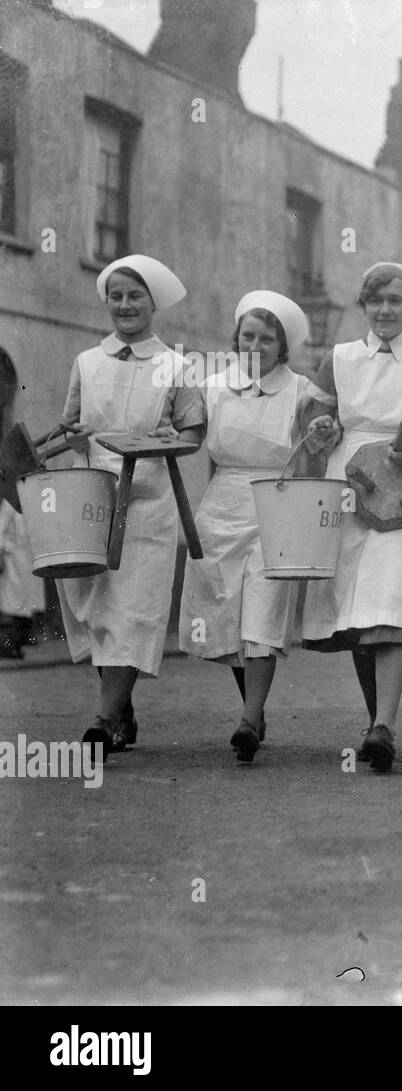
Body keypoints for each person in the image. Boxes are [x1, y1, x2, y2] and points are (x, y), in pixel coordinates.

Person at [299, 261, 402, 773]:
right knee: (359, 613)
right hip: (351, 489)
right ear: (364, 307)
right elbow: (313, 426)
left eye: (396, 300)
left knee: (392, 606)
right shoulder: (338, 360)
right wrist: (321, 430)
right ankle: (375, 724)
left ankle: (385, 724)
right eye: (376, 301)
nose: (386, 310)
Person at [58, 254, 204, 753]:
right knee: (97, 609)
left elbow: (193, 432)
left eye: (134, 296)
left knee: (131, 610)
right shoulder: (86, 362)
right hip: (93, 499)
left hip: (147, 504)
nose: (124, 305)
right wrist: (77, 437)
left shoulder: (177, 366)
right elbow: (72, 424)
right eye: (116, 296)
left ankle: (103, 719)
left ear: (152, 303)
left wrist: (174, 436)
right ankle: (122, 708)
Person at [178, 291, 311, 763]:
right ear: (236, 339)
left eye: (267, 338)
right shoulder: (211, 387)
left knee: (263, 612)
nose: (256, 345)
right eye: (248, 336)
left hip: (276, 506)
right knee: (230, 616)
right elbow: (187, 438)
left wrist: (323, 434)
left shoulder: (300, 391)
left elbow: (317, 446)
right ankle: (253, 709)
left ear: (282, 347)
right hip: (222, 507)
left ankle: (251, 718)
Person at [0, 500, 44, 659]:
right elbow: (1, 528)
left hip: (28, 561)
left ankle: (18, 643)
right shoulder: (9, 503)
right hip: (13, 560)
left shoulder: (31, 499)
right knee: (13, 605)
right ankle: (8, 646)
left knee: (26, 605)